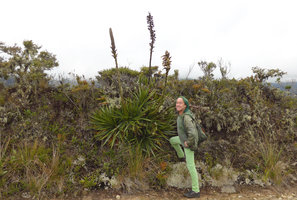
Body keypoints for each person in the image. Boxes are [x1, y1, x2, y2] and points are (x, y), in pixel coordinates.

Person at [169, 96, 200, 198]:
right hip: (183, 139)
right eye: (177, 103)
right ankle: (181, 155)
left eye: (180, 103)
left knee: (191, 166)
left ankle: (196, 191)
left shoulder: (186, 117)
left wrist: (188, 143)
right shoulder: (181, 115)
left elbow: (193, 133)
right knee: (172, 140)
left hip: (189, 143)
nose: (178, 105)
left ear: (185, 105)